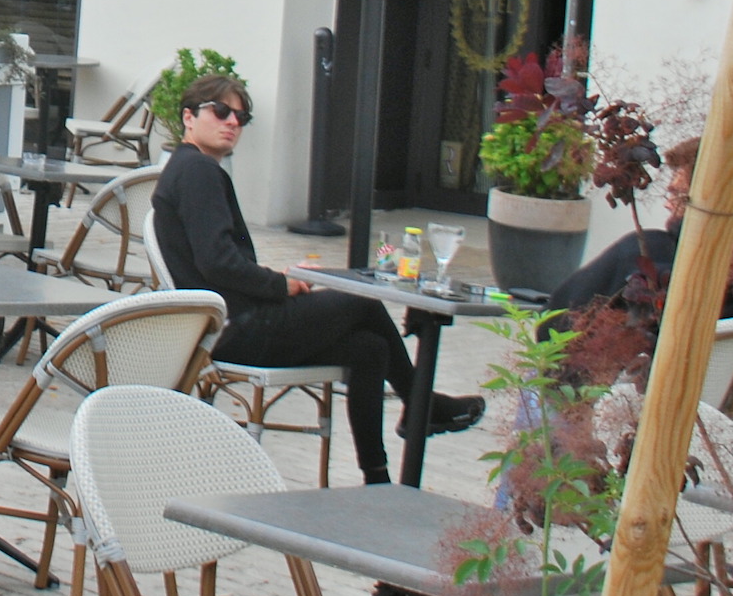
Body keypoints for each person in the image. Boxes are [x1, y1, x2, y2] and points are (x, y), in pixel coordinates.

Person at [151, 73, 485, 486]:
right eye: (220, 112)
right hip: (235, 329)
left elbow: (217, 261)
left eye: (241, 116)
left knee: (369, 347)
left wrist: (280, 278)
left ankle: (377, 478)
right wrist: (279, 285)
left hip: (224, 327)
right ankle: (422, 405)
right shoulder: (198, 170)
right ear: (188, 117)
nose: (232, 122)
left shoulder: (187, 169)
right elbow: (217, 262)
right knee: (362, 301)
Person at [543, 138, 733, 317]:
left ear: (704, 201)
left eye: (677, 195)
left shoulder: (648, 250)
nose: (666, 203)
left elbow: (559, 316)